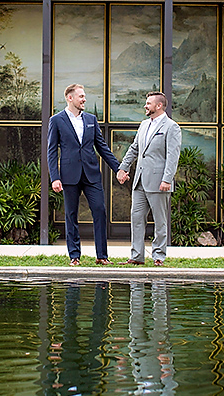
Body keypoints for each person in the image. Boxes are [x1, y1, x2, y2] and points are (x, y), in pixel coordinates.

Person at [47, 84, 121, 266]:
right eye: (81, 96)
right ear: (70, 98)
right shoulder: (56, 120)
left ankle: (101, 256)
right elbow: (51, 151)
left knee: (100, 210)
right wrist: (55, 177)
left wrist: (118, 168)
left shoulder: (91, 119)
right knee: (71, 215)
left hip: (91, 174)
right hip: (68, 175)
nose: (84, 99)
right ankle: (74, 256)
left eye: (84, 96)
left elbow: (102, 147)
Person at [116, 91, 182, 266]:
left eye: (148, 103)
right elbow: (134, 148)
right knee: (136, 218)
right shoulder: (144, 124)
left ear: (159, 106)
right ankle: (137, 256)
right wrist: (123, 167)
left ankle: (159, 256)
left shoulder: (171, 127)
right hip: (139, 181)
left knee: (160, 221)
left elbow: (172, 156)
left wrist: (167, 179)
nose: (145, 106)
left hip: (159, 182)